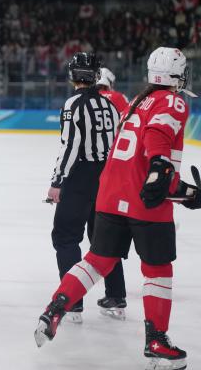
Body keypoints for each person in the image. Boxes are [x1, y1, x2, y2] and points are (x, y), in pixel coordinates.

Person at [35, 47, 201, 370]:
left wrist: (185, 192)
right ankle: (157, 341)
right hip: (145, 204)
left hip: (109, 195)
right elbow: (157, 150)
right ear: (176, 75)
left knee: (96, 260)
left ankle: (56, 308)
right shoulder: (171, 100)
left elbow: (141, 165)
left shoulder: (135, 102)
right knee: (157, 269)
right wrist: (164, 172)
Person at [46, 52, 126, 323]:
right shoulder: (111, 106)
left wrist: (57, 181)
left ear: (72, 75)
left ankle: (72, 302)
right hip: (108, 176)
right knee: (103, 239)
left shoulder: (73, 104)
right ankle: (116, 296)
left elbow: (70, 146)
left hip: (81, 176)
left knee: (66, 237)